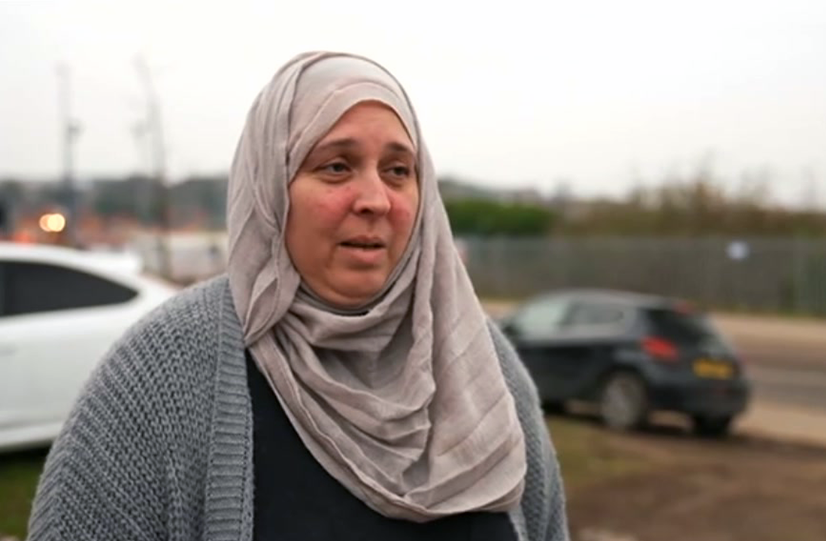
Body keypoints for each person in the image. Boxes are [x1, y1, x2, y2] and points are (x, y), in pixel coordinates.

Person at [26, 51, 569, 541]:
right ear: (270, 189)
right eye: (336, 166)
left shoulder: (483, 366)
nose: (376, 199)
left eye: (398, 171)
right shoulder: (162, 374)